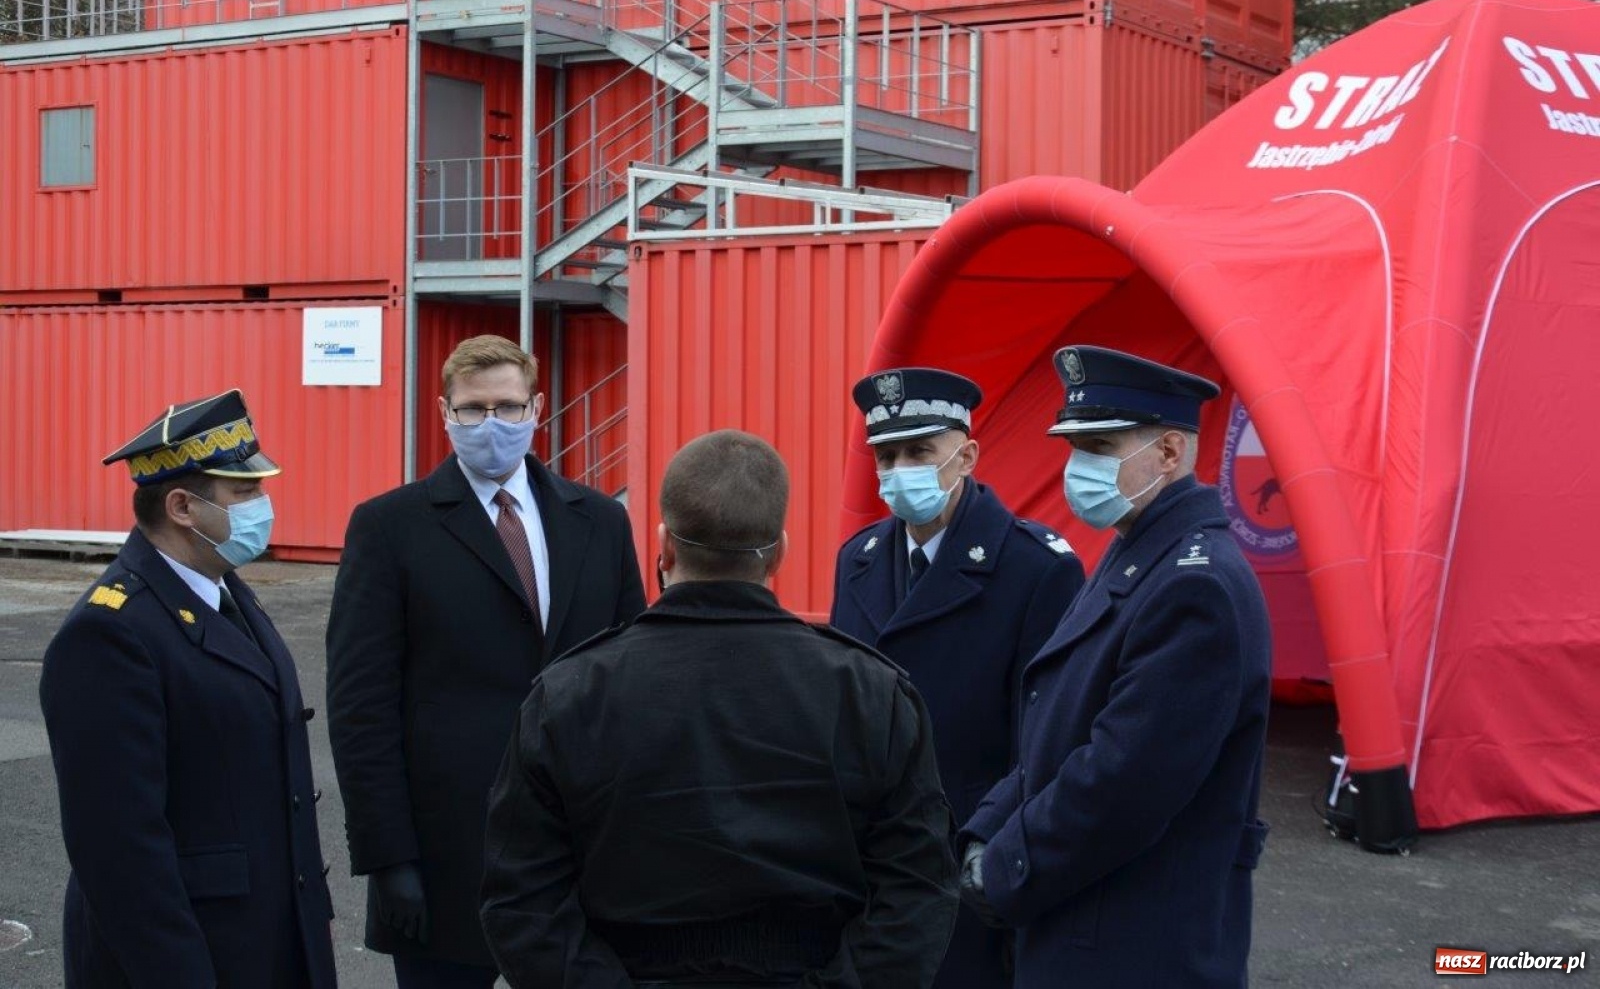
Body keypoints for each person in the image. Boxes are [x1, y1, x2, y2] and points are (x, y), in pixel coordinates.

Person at [480, 429, 960, 988]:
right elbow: (919, 891)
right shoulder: (869, 691)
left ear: (663, 547)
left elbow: (521, 900)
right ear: (779, 552)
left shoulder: (571, 693)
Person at [326, 334, 647, 987]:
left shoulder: (600, 522)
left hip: (580, 847)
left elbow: (634, 675)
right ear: (445, 412)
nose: (492, 424)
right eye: (474, 409)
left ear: (537, 407)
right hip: (446, 855)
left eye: (507, 406)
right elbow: (361, 705)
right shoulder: (390, 527)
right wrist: (388, 857)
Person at [958, 345, 1273, 989]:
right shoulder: (1140, 548)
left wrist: (1008, 865)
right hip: (1092, 922)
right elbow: (1060, 727)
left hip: (1133, 941)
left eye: (1100, 446)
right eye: (1075, 448)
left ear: (1167, 453)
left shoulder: (1196, 587)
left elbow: (1122, 780)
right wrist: (984, 829)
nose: (1079, 468)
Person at [39, 389, 337, 989]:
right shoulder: (111, 632)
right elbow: (120, 853)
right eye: (244, 492)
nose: (263, 504)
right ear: (181, 506)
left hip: (269, 938)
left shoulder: (223, 590)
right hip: (190, 956)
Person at [829, 366, 1084, 989]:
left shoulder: (1035, 569)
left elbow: (1045, 743)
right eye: (887, 456)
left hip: (967, 860)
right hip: (865, 863)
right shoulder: (858, 561)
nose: (900, 471)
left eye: (920, 451)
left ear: (966, 455)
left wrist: (997, 859)